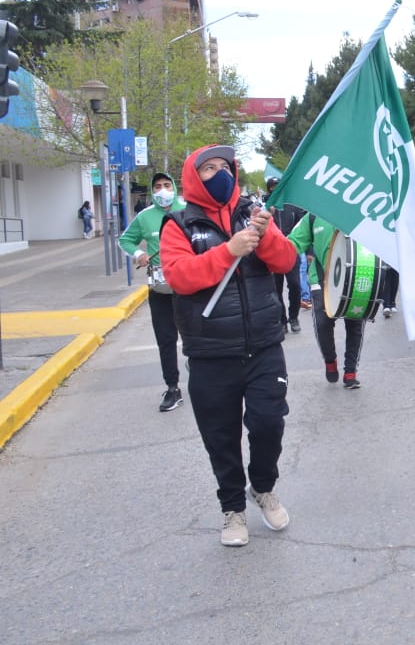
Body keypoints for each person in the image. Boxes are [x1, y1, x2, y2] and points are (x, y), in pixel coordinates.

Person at [160, 144, 299, 547]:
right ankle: (232, 509)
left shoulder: (253, 214)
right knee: (220, 436)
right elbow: (180, 277)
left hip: (263, 344)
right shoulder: (179, 224)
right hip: (210, 353)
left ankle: (263, 487)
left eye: (225, 166)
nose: (219, 173)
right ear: (193, 176)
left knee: (269, 422)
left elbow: (287, 261)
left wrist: (264, 237)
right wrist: (228, 251)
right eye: (209, 168)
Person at [119, 171, 187, 412]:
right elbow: (125, 240)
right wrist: (139, 255)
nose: (162, 190)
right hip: (159, 287)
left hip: (188, 284)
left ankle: (201, 374)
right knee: (166, 339)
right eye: (157, 186)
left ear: (174, 187)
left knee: (195, 334)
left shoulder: (189, 210)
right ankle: (172, 387)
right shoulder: (145, 217)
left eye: (167, 185)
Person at [287, 214, 366, 389]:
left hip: (356, 275)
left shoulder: (360, 211)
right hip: (321, 279)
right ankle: (330, 360)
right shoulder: (313, 216)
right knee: (322, 324)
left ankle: (350, 371)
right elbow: (292, 242)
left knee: (355, 324)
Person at [264, 177, 306, 335]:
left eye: (278, 186)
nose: (275, 190)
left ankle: (293, 317)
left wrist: (308, 252)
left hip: (291, 251)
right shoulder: (266, 207)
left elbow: (305, 229)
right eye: (272, 187)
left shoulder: (294, 206)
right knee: (276, 289)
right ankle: (282, 320)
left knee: (295, 285)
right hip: (273, 253)